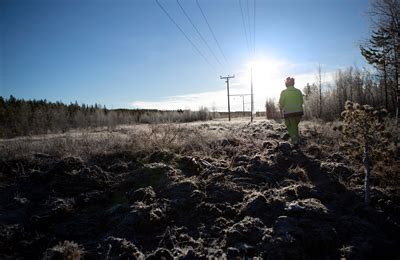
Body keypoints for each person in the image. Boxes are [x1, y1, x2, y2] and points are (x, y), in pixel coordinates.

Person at [279, 77, 304, 145]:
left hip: (289, 113)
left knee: (290, 126)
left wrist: (281, 110)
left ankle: (294, 141)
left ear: (286, 84)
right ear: (293, 83)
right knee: (295, 126)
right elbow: (302, 102)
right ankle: (297, 138)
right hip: (299, 112)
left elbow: (281, 103)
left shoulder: (284, 92)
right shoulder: (298, 91)